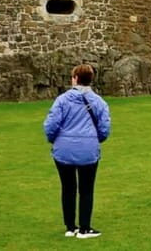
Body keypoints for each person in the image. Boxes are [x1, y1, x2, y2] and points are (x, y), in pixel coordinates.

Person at [44, 64, 111, 239]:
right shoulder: (99, 102)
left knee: (68, 188)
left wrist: (55, 140)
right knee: (86, 189)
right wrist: (95, 140)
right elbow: (104, 128)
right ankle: (85, 228)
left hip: (64, 150)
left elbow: (51, 125)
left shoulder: (62, 100)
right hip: (88, 150)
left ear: (74, 78)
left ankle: (70, 226)